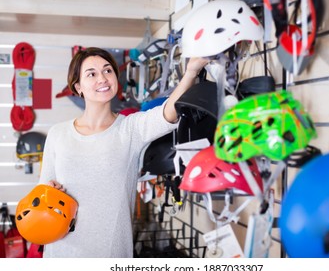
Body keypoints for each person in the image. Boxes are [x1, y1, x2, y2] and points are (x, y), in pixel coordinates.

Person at [39, 47, 208, 257]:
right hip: (60, 254)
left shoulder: (130, 128)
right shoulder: (58, 134)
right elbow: (43, 191)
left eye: (108, 71)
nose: (102, 78)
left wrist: (191, 71)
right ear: (78, 87)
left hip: (112, 254)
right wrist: (49, 189)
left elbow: (168, 113)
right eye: (91, 74)